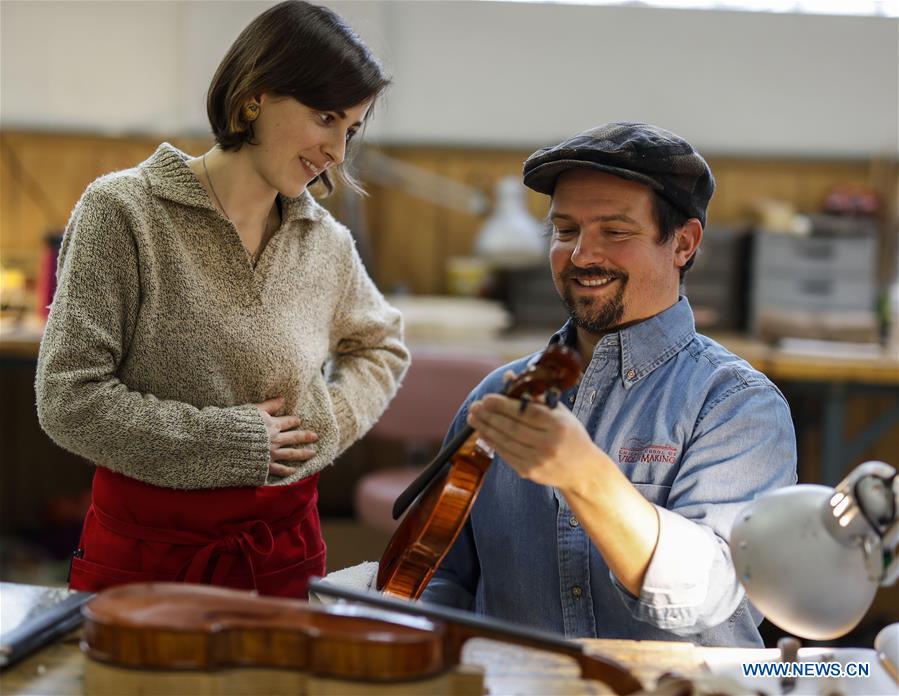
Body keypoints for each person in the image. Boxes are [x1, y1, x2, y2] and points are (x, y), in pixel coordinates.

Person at [35, 1, 409, 599]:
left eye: (352, 129)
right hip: (147, 556)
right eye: (325, 117)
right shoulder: (124, 212)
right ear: (255, 97)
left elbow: (381, 346)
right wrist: (230, 443)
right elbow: (68, 399)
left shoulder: (325, 242)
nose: (338, 150)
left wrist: (326, 426)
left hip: (284, 553)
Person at [421, 122, 797, 646]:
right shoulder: (497, 396)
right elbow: (439, 578)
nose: (581, 256)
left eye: (615, 232)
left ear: (683, 243)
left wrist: (586, 477)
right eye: (566, 230)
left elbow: (713, 595)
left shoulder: (736, 406)